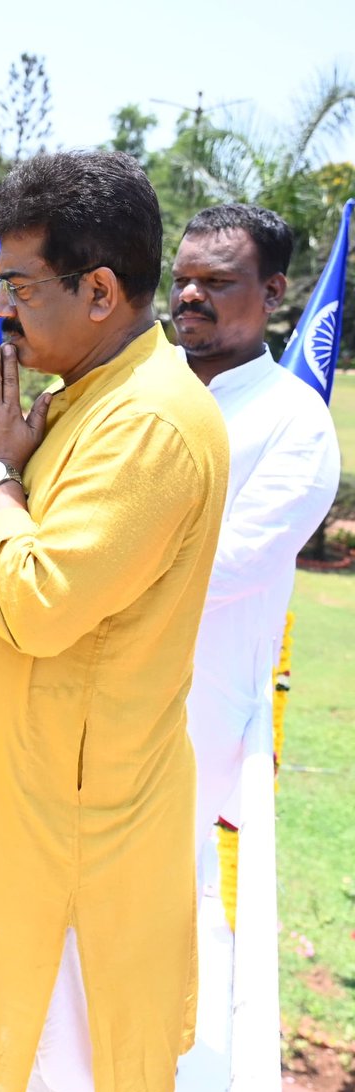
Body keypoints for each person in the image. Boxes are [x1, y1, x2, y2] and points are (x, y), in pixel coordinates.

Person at [0, 152, 229, 1092]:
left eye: (18, 287)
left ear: (100, 291)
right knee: (39, 1075)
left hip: (78, 830)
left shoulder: (144, 422)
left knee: (86, 1081)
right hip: (29, 804)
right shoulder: (85, 397)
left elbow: (42, 603)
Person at [171, 204, 341, 878]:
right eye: (183, 278)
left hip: (193, 710)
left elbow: (236, 563)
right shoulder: (128, 391)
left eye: (216, 281)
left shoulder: (295, 421)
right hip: (71, 691)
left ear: (273, 291)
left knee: (146, 905)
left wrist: (89, 568)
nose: (188, 294)